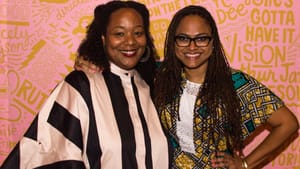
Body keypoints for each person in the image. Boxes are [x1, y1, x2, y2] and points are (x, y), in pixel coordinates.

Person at [1, 1, 170, 169]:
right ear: (103, 39)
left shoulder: (155, 86)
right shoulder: (80, 86)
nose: (130, 41)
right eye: (119, 34)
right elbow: (46, 153)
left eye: (138, 33)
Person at [153, 5, 299, 169]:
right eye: (183, 38)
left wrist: (244, 164)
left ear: (213, 42)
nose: (192, 46)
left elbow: (288, 123)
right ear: (173, 42)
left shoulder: (235, 83)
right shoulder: (161, 78)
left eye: (201, 38)